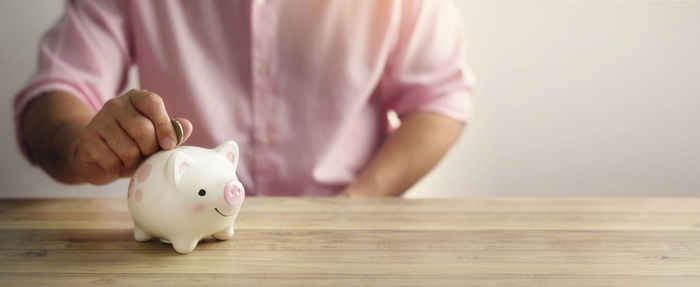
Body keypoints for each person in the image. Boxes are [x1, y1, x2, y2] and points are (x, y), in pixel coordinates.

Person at [14, 0, 472, 197]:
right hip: (181, 234)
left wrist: (358, 203)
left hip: (354, 222)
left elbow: (439, 98)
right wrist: (83, 147)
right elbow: (54, 93)